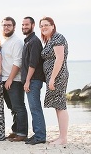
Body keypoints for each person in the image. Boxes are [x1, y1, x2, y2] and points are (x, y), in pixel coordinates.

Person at [40, 17, 69, 145]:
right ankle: (61, 136)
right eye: (41, 26)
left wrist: (52, 78)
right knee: (58, 106)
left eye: (46, 25)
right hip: (53, 76)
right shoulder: (49, 39)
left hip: (58, 76)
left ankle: (63, 138)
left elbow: (59, 59)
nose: (43, 27)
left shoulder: (58, 38)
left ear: (53, 26)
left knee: (60, 105)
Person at [0, 17, 28, 142]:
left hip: (14, 80)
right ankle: (16, 130)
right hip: (5, 79)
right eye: (4, 25)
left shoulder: (17, 42)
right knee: (12, 108)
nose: (6, 27)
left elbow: (18, 61)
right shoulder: (5, 42)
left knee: (19, 107)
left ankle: (22, 133)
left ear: (14, 27)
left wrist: (10, 79)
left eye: (9, 25)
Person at [22, 17, 47, 145]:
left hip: (33, 80)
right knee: (33, 108)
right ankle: (37, 133)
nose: (24, 26)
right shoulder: (28, 41)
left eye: (27, 24)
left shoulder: (34, 41)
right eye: (23, 24)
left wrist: (27, 81)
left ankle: (40, 136)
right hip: (31, 80)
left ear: (32, 25)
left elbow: (33, 64)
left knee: (35, 108)